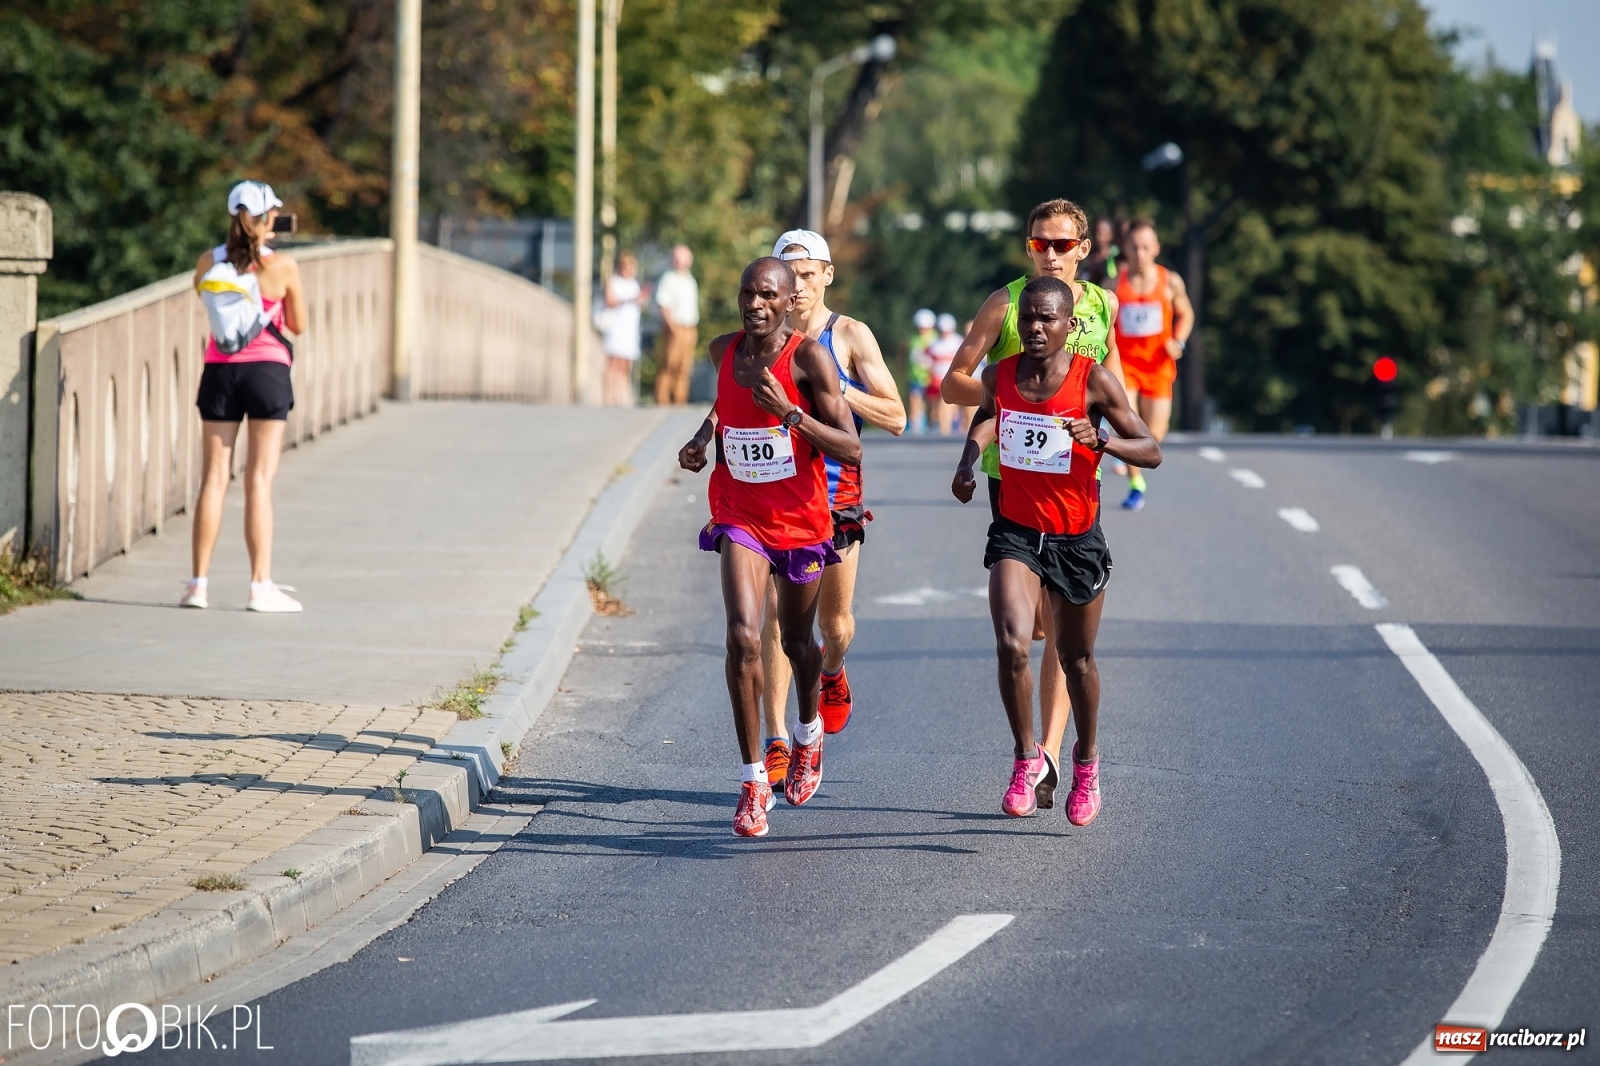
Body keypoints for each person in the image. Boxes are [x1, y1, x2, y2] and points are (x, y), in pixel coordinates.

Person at [952, 276, 1160, 821]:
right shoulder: (1001, 375)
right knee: (1013, 645)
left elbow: (1152, 450)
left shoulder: (1095, 382)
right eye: (1028, 319)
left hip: (1077, 540)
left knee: (1077, 660)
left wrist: (1105, 441)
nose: (1036, 328)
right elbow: (989, 417)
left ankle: (1086, 763)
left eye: (1048, 319)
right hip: (1017, 532)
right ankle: (1027, 758)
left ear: (1070, 326)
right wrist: (967, 461)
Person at [940, 198, 1124, 806]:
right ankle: (1035, 754)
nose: (1049, 255)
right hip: (1011, 473)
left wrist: (1097, 426)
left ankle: (1050, 752)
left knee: (1064, 636)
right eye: (1038, 244)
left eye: (1061, 245)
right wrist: (1015, 394)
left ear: (1083, 250)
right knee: (1029, 628)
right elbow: (954, 381)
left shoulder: (1102, 306)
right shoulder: (1009, 302)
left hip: (1076, 475)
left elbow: (1113, 385)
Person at [677, 257, 861, 838]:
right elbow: (725, 405)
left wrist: (792, 415)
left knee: (799, 642)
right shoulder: (721, 351)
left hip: (801, 522)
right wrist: (703, 437)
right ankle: (753, 780)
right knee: (743, 635)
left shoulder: (810, 359)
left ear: (788, 302)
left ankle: (808, 733)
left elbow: (850, 447)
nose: (754, 304)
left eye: (767, 295)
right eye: (746, 294)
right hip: (739, 514)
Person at [756, 230, 906, 788]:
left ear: (827, 275)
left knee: (833, 625)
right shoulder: (764, 338)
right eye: (786, 275)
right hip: (774, 498)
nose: (795, 287)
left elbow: (897, 416)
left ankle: (834, 670)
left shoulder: (849, 335)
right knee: (776, 616)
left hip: (836, 499)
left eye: (807, 274)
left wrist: (839, 389)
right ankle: (776, 738)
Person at [180, 180, 304, 613]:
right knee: (258, 479)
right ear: (269, 218)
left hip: (220, 373)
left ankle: (198, 585)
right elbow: (298, 324)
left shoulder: (207, 261)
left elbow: (206, 299)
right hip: (268, 373)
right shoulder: (283, 266)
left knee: (214, 479)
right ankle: (259, 586)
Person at [1114, 220, 1193, 510]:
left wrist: (1179, 341)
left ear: (1156, 248)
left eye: (1146, 247)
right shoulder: (1114, 286)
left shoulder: (1170, 281)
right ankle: (1136, 484)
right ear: (1126, 250)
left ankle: (1136, 465)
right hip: (1126, 367)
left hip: (1159, 367)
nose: (1140, 253)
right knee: (1129, 426)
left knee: (1154, 435)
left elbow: (1186, 315)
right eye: (1134, 247)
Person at [655, 245, 701, 406]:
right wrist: (672, 326)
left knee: (685, 365)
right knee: (669, 363)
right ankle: (662, 398)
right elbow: (663, 304)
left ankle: (680, 398)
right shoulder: (668, 278)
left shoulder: (690, 279)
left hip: (690, 327)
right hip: (675, 327)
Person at [601, 251, 646, 407]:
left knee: (625, 364)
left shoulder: (634, 284)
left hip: (629, 329)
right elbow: (610, 301)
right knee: (613, 363)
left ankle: (620, 396)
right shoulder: (614, 282)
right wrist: (629, 300)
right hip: (616, 327)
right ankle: (609, 396)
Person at [925, 313, 963, 436]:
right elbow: (924, 358)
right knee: (932, 406)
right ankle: (934, 427)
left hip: (951, 378)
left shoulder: (958, 342)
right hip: (935, 378)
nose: (944, 333)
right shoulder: (934, 342)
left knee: (944, 404)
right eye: (942, 331)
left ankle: (944, 430)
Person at [906, 309, 936, 435]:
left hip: (931, 377)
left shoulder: (935, 338)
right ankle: (914, 428)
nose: (921, 329)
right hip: (915, 377)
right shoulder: (914, 339)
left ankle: (932, 427)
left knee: (931, 404)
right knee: (914, 401)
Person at [1077, 217, 1120, 287]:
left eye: (1103, 231)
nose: (1098, 235)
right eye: (1096, 231)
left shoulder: (1116, 255)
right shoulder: (1085, 254)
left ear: (1111, 234)